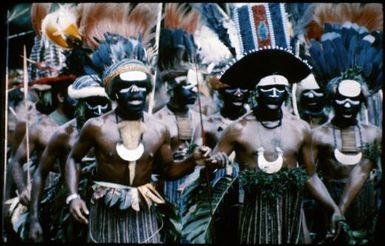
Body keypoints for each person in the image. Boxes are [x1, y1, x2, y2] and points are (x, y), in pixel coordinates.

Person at [65, 57, 225, 243]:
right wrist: (73, 196)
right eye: (126, 86)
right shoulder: (96, 127)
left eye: (140, 85)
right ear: (114, 92)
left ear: (147, 91)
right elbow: (73, 159)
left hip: (143, 208)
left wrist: (193, 160)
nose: (135, 90)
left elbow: (168, 170)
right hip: (106, 210)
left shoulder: (158, 129)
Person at [209, 48, 342, 244]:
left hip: (291, 211)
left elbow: (310, 176)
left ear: (286, 92)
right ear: (256, 92)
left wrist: (333, 209)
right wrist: (214, 161)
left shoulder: (300, 128)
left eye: (279, 89)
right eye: (267, 89)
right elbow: (210, 163)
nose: (273, 94)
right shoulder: (238, 129)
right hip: (254, 211)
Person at [28, 75, 111, 242]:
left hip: (106, 203)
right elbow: (40, 173)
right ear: (80, 105)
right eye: (92, 103)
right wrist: (34, 219)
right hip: (70, 204)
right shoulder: (64, 135)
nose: (99, 110)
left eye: (103, 103)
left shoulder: (113, 130)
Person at [312, 77, 382, 242]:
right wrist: (334, 209)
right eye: (341, 98)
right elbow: (309, 175)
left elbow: (366, 170)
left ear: (361, 101)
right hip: (328, 198)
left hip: (365, 200)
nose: (347, 104)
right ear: (332, 100)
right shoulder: (319, 135)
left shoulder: (373, 134)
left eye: (353, 99)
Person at [11, 74, 76, 207]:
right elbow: (16, 161)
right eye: (73, 96)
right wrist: (22, 189)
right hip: (45, 194)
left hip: (75, 195)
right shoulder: (41, 128)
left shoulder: (85, 127)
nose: (78, 101)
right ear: (61, 97)